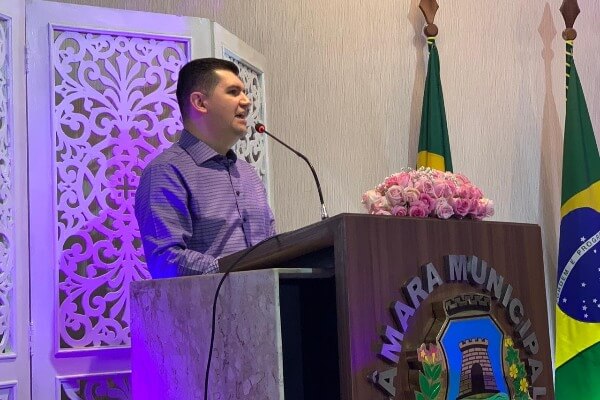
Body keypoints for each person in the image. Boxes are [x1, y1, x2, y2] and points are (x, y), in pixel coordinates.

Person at [135, 58, 276, 278]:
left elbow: (272, 248)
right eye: (233, 92)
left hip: (269, 298)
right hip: (211, 300)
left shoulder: (248, 174)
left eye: (245, 92)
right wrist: (234, 272)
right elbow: (165, 259)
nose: (247, 101)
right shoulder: (166, 171)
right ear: (200, 102)